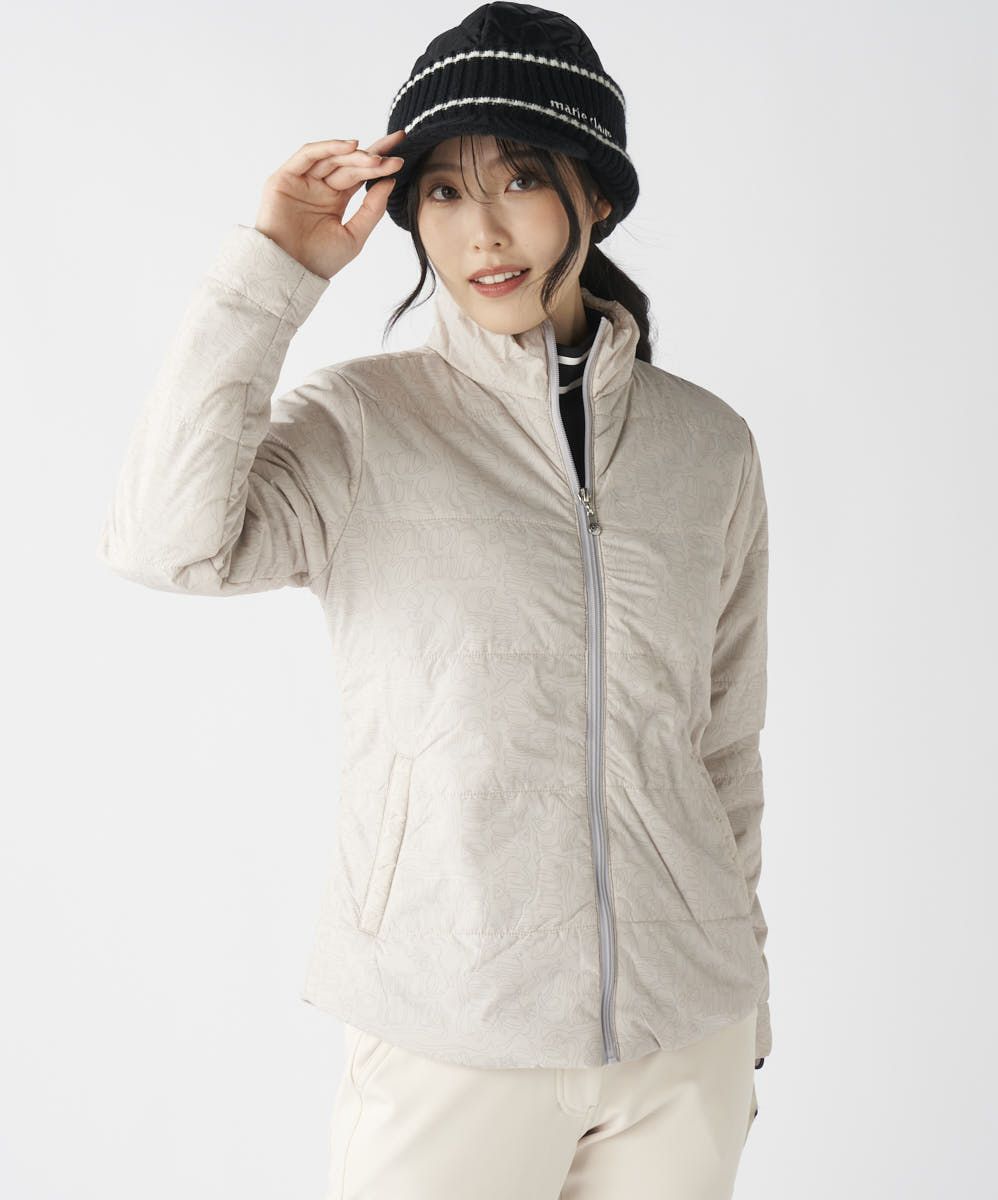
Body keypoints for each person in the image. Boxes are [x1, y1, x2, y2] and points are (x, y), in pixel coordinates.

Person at [96, 4, 773, 1196]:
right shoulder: (365, 425)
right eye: (444, 193)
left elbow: (721, 742)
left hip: (684, 1041)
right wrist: (276, 271)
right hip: (449, 1032)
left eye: (520, 179)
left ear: (595, 195)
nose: (483, 230)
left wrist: (746, 998)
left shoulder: (707, 449)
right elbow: (166, 543)